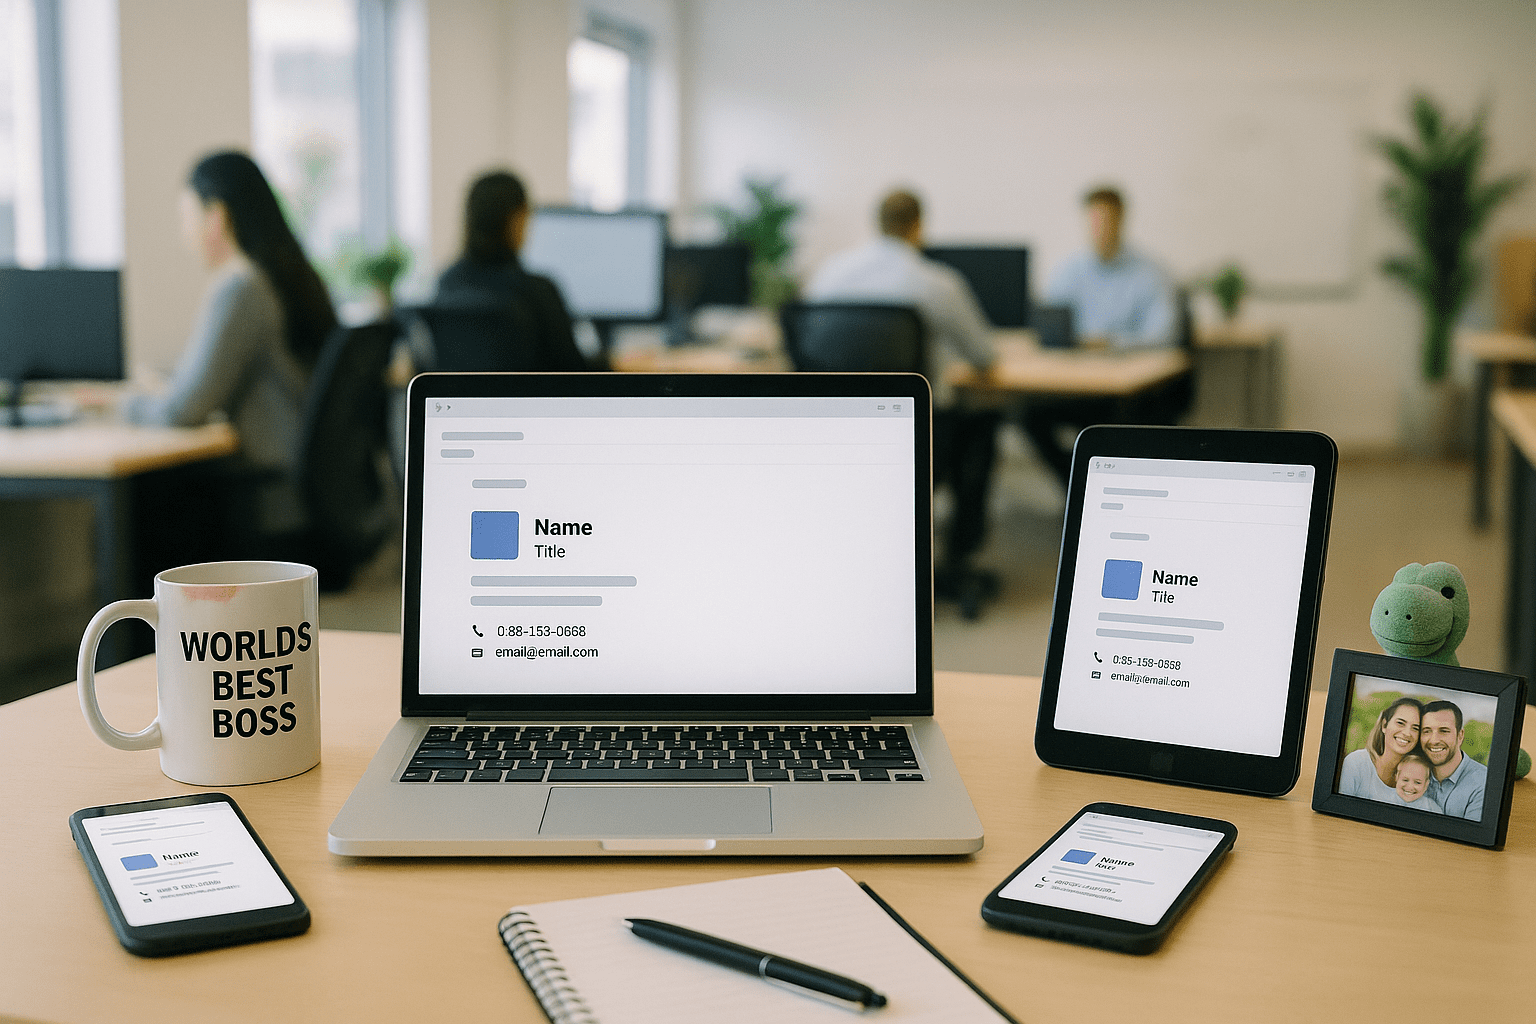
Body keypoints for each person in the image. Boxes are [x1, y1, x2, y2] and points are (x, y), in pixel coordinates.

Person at [123, 151, 338, 538]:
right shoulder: (288, 276)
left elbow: (182, 410)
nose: (185, 236)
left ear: (216, 217)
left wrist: (120, 405)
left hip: (273, 501)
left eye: (186, 217)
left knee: (150, 508)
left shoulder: (241, 288)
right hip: (312, 497)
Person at [804, 190, 998, 598]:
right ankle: (959, 557)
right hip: (917, 438)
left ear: (876, 223)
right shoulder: (935, 283)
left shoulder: (829, 275)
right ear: (918, 227)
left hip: (837, 435)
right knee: (984, 422)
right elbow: (983, 355)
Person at [1021, 186, 1179, 483]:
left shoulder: (1150, 273)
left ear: (1122, 220)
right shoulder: (1069, 270)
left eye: (1107, 220)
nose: (1100, 229)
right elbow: (1050, 323)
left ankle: (1112, 487)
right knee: (1027, 414)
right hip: (1080, 384)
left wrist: (1111, 343)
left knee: (1125, 421)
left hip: (1132, 390)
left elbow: (1166, 335)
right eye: (1094, 221)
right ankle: (1077, 486)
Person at [433, 170, 588, 371]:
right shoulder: (539, 292)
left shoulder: (447, 283)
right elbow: (575, 373)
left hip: (461, 393)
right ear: (517, 219)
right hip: (530, 393)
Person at [1336, 697, 1422, 803]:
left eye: (1415, 728)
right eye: (1400, 723)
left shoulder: (1420, 781)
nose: (1407, 733)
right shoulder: (1356, 763)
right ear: (1384, 725)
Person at [1419, 699, 1487, 820]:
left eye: (1444, 731)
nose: (1434, 740)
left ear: (1460, 736)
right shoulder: (1411, 774)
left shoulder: (1483, 783)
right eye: (1427, 731)